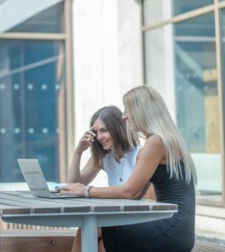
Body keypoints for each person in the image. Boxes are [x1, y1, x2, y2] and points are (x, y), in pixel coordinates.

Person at [60, 86, 197, 252]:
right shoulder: (164, 140)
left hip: (169, 228)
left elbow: (129, 192)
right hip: (178, 230)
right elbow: (136, 195)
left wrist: (86, 191)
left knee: (92, 227)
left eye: (128, 110)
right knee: (99, 245)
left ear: (142, 111)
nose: (124, 116)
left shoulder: (156, 142)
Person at [67, 105, 145, 252]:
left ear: (117, 128)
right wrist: (78, 152)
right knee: (97, 243)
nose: (100, 137)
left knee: (90, 229)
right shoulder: (104, 158)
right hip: (117, 220)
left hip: (138, 220)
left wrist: (90, 191)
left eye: (104, 130)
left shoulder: (139, 155)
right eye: (96, 132)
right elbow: (74, 185)